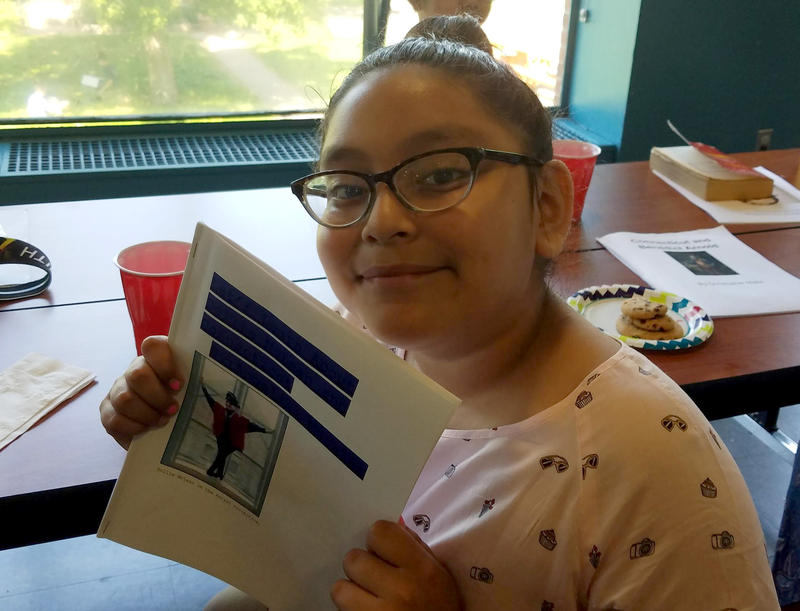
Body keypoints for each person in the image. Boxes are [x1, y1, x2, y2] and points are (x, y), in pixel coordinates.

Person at [100, 15, 779, 610]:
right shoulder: (354, 336)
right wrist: (166, 413)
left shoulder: (646, 461)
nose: (382, 220)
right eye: (345, 186)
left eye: (441, 173)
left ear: (547, 207)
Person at [200, 384, 266, 480]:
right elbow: (210, 400)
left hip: (232, 442)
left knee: (221, 455)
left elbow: (250, 426)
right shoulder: (220, 410)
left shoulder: (238, 419)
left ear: (236, 407)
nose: (228, 404)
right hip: (221, 438)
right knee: (222, 455)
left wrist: (262, 430)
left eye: (231, 404)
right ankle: (218, 473)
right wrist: (204, 388)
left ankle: (212, 472)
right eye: (227, 402)